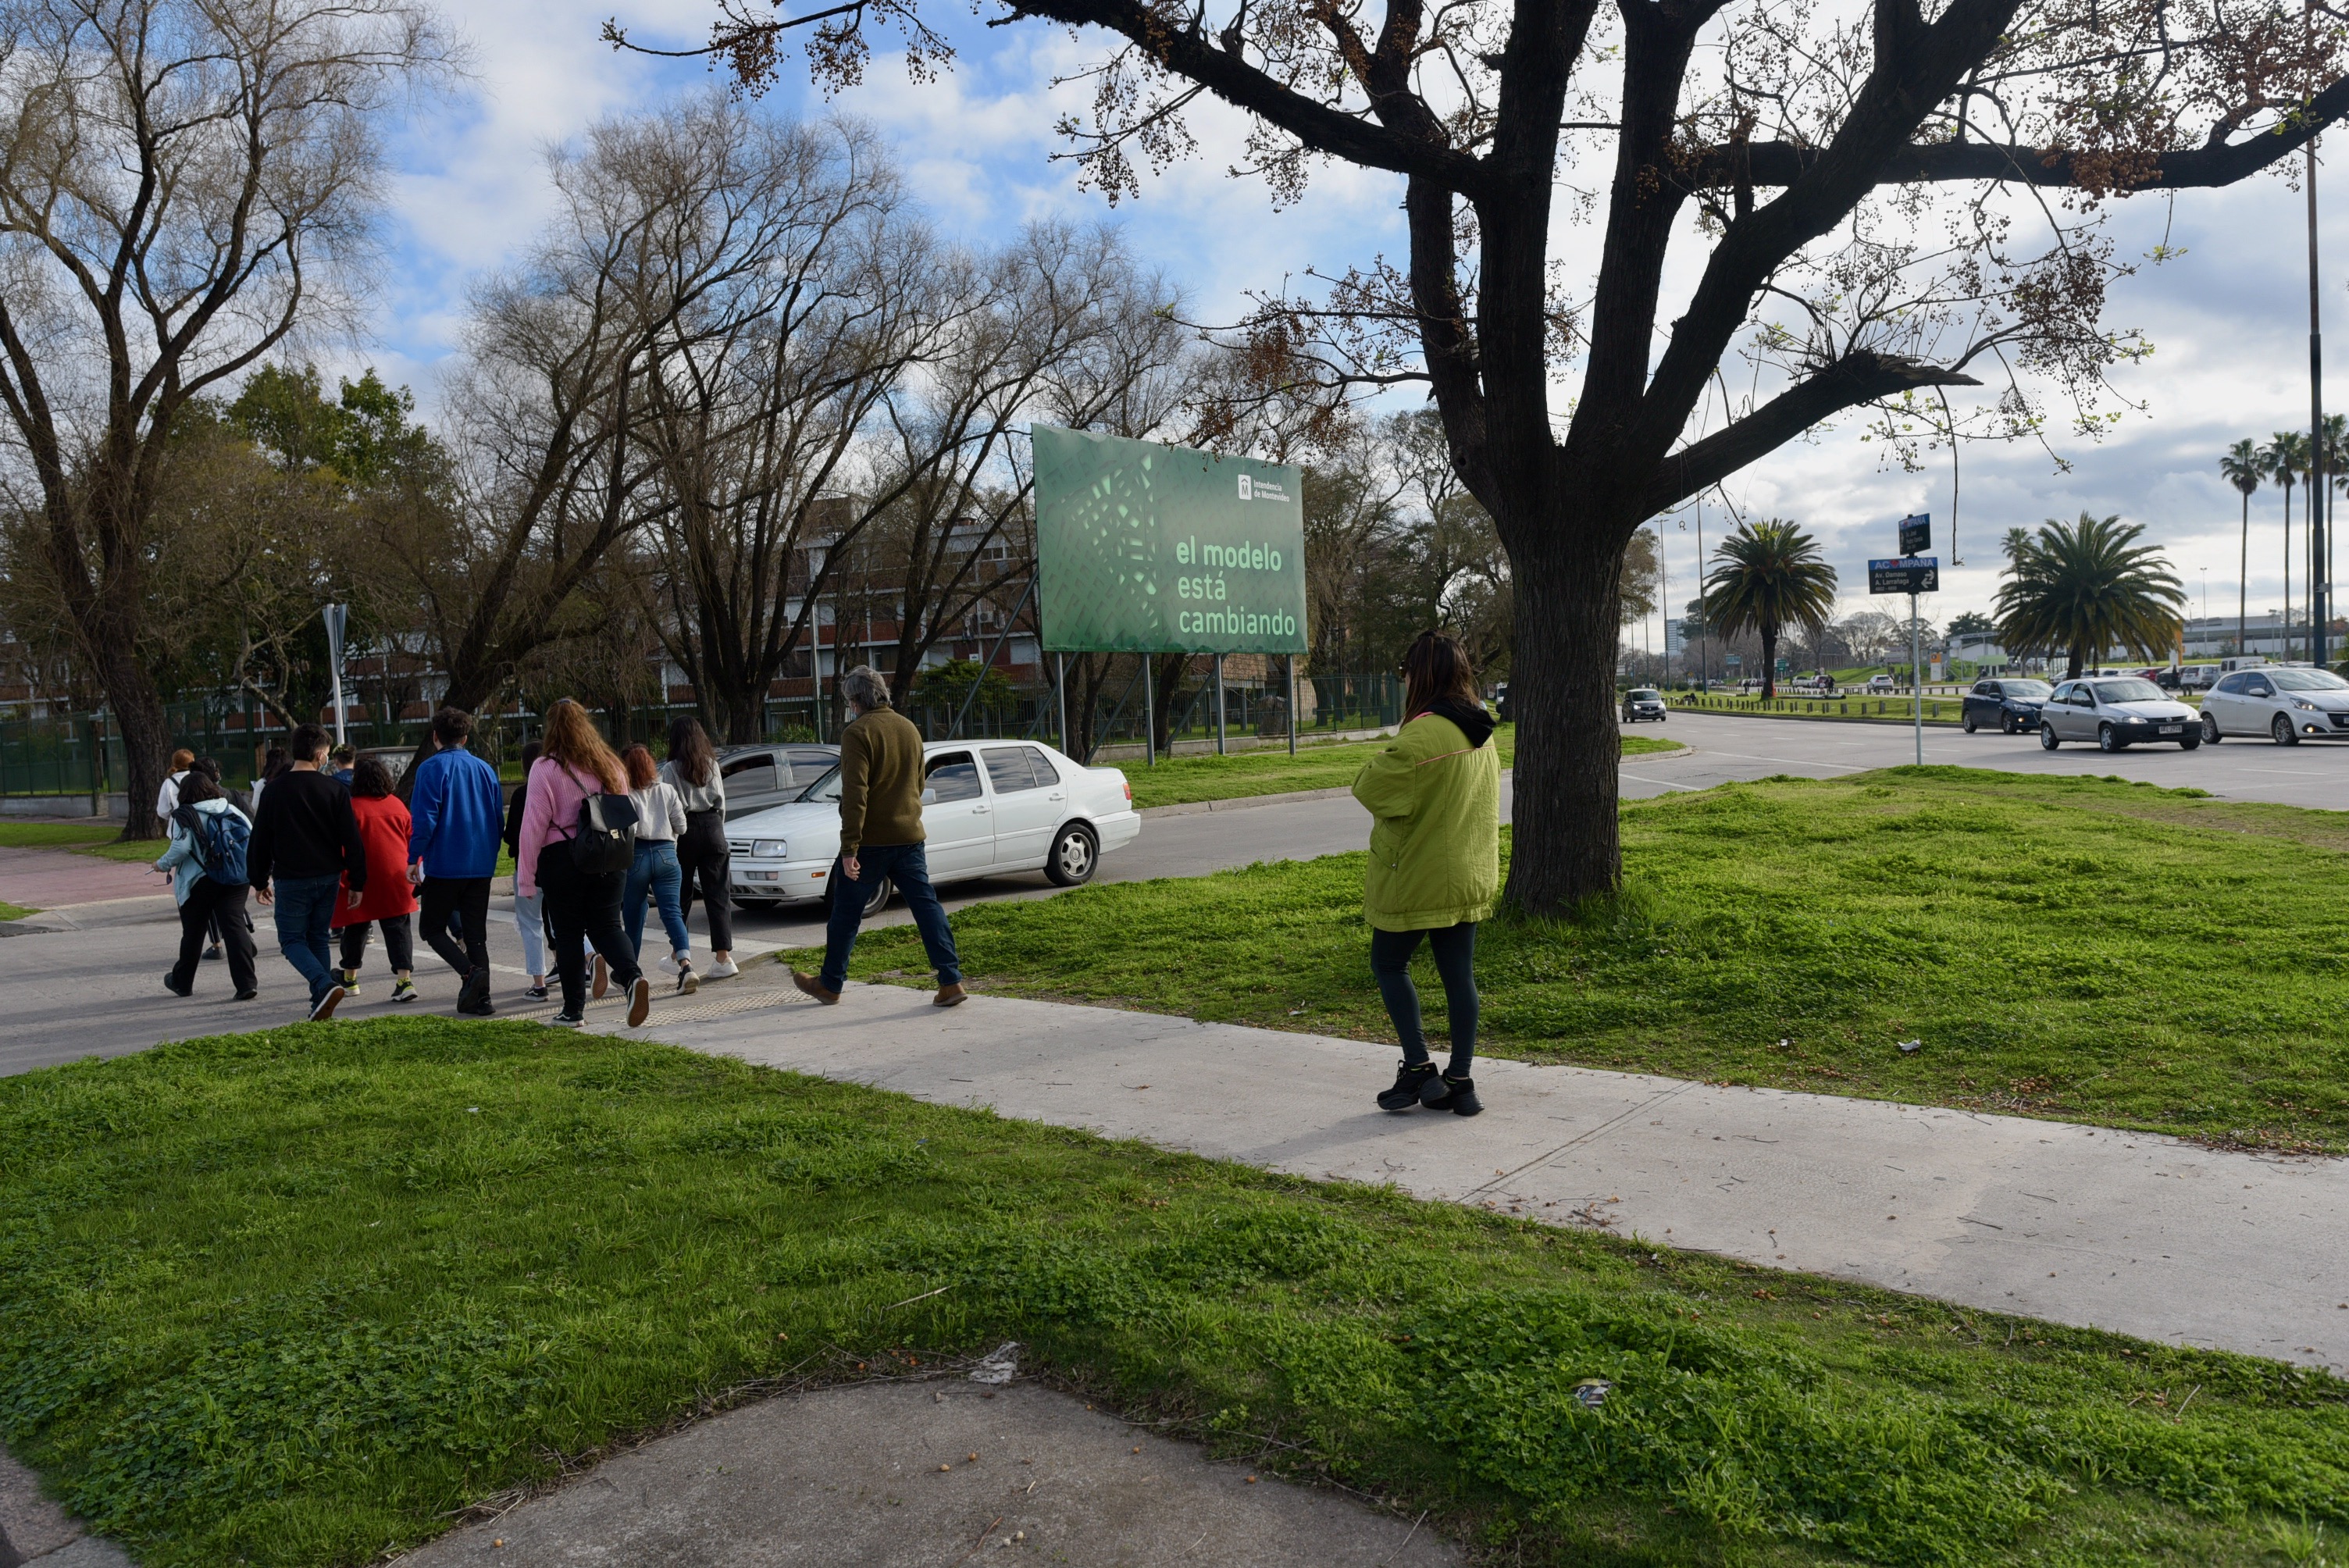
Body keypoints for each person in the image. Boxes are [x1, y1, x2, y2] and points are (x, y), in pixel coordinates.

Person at [1353, 630, 1501, 1118]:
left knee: (1388, 963)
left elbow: (1371, 789)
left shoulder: (1420, 736)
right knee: (1459, 976)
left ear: (1421, 676)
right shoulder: (1481, 731)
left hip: (1418, 876)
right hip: (1469, 873)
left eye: (1407, 672)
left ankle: (1418, 1067)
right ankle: (1460, 1080)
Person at [793, 666, 962, 1007]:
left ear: (856, 701)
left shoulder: (857, 732)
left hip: (870, 843)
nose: (850, 708)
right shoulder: (909, 728)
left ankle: (830, 984)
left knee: (845, 914)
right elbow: (918, 784)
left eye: (849, 702)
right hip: (910, 837)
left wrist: (849, 849)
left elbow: (855, 795)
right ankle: (951, 981)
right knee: (926, 907)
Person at [517, 699, 651, 1028]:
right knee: (608, 926)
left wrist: (525, 877)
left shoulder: (545, 767)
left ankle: (573, 1010)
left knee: (568, 935)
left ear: (551, 728)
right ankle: (632, 978)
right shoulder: (610, 764)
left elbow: (533, 825)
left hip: (562, 858)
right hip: (609, 856)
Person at [248, 723, 367, 1021]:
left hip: (291, 877)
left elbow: (260, 839)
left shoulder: (274, 790)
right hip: (329, 876)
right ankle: (320, 1000)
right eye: (326, 753)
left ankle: (322, 984)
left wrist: (259, 879)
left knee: (291, 941)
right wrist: (357, 881)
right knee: (317, 938)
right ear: (319, 755)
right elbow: (352, 839)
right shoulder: (334, 789)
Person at [406, 707, 506, 1016]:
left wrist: (413, 857)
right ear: (465, 737)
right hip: (481, 864)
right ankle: (483, 999)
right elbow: (497, 818)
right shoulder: (485, 769)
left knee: (431, 928)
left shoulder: (430, 768)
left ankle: (469, 973)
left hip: (445, 864)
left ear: (435, 736)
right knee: (476, 935)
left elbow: (424, 819)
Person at [154, 770, 258, 1000]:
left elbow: (181, 848)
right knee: (234, 926)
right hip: (235, 877)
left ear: (184, 793)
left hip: (200, 880)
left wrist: (161, 864)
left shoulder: (185, 815)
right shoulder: (229, 808)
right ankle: (246, 984)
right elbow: (251, 835)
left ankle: (183, 982)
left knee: (194, 932)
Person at [333, 756, 419, 1003]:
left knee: (356, 927)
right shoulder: (397, 804)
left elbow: (343, 846)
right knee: (398, 928)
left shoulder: (352, 808)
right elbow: (411, 838)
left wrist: (344, 879)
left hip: (363, 876)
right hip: (396, 875)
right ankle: (404, 981)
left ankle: (350, 979)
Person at [662, 717, 737, 980]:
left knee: (680, 894)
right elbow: (721, 802)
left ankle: (680, 954)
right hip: (713, 825)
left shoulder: (671, 768)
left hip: (685, 830)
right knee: (718, 895)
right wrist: (717, 829)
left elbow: (670, 807)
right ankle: (723, 958)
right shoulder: (711, 764)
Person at [621, 743, 697, 992]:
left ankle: (632, 973)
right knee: (673, 913)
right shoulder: (667, 790)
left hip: (638, 855)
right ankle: (686, 966)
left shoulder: (627, 795)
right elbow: (682, 827)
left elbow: (629, 830)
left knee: (633, 916)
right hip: (667, 854)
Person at [504, 739, 549, 1000]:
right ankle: (589, 958)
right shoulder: (555, 786)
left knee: (531, 924)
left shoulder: (523, 794)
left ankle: (539, 983)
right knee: (566, 920)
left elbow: (512, 835)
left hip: (528, 866)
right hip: (556, 864)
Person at [155, 748, 194, 820]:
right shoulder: (198, 778)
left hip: (178, 822)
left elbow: (162, 811)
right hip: (198, 821)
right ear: (192, 762)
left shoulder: (168, 783)